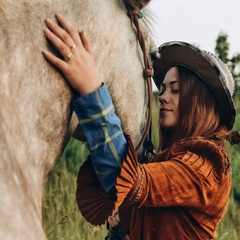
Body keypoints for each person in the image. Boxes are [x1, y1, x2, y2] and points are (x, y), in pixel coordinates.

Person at [42, 14, 240, 240]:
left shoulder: (207, 164)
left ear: (199, 101)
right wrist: (125, 219)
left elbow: (131, 180)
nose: (163, 97)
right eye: (163, 89)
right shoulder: (172, 161)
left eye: (174, 90)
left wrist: (91, 90)